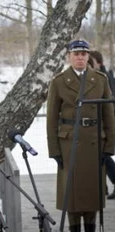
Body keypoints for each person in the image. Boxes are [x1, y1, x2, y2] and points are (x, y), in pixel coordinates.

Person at [47, 39, 115, 232]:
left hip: (94, 142)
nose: (80, 57)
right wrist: (54, 151)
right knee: (73, 196)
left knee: (92, 194)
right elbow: (51, 119)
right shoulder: (59, 81)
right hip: (69, 144)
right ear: (69, 56)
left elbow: (108, 116)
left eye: (83, 54)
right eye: (76, 54)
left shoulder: (100, 79)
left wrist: (110, 146)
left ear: (88, 56)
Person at [90, 50, 115, 200]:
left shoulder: (104, 77)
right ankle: (102, 188)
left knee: (103, 155)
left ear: (98, 63)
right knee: (99, 156)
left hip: (106, 123)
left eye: (91, 61)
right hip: (98, 125)